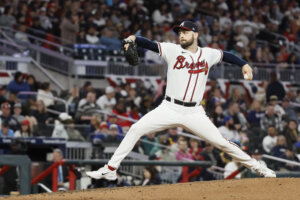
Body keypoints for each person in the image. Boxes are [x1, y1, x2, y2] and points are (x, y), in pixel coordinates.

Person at [87, 21, 276, 180]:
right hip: (169, 107)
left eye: (185, 32)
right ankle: (110, 170)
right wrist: (133, 38)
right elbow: (150, 44)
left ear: (195, 34)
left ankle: (259, 168)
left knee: (222, 143)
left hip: (194, 112)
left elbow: (225, 55)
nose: (181, 36)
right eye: (180, 33)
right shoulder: (172, 50)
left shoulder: (208, 54)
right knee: (136, 129)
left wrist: (244, 64)